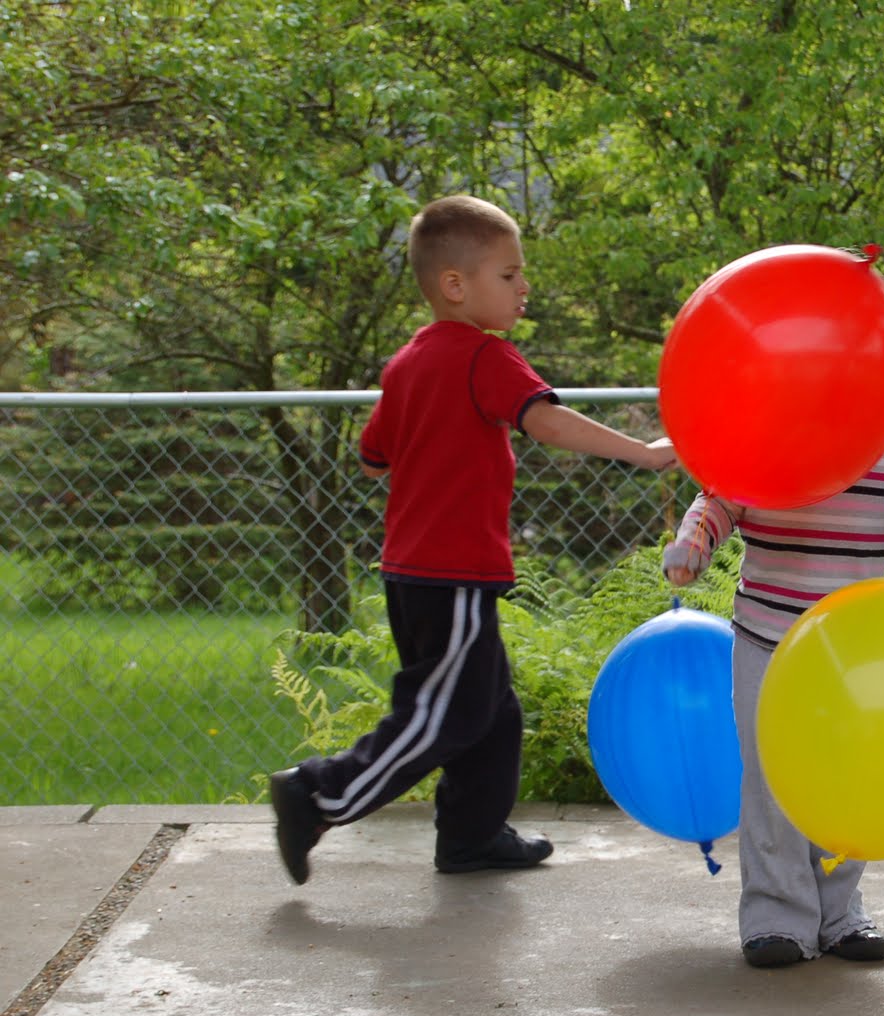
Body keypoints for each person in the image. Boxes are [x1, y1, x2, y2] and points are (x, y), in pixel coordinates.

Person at [268, 194, 676, 886]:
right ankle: (318, 793)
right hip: (450, 571)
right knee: (443, 715)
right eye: (510, 275)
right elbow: (546, 423)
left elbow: (373, 457)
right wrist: (646, 452)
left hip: (414, 570)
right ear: (455, 286)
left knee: (491, 711)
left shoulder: (407, 363)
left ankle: (471, 837)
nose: (525, 289)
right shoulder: (484, 356)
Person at [663, 429, 884, 968]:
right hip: (766, 638)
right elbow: (719, 500)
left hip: (849, 647)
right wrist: (694, 545)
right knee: (772, 780)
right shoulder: (771, 424)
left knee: (846, 782)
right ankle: (776, 917)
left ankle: (840, 912)